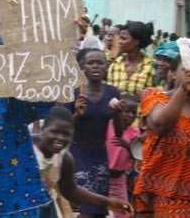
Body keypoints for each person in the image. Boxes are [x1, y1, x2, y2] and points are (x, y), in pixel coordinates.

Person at [134, 55, 190, 217]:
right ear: (172, 73)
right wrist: (183, 91)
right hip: (166, 194)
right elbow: (161, 125)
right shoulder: (155, 97)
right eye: (187, 70)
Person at [34, 106, 134, 218]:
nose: (60, 138)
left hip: (45, 210)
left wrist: (108, 202)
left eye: (66, 134)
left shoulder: (65, 158)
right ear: (43, 130)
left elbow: (70, 190)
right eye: (54, 132)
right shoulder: (28, 152)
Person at [64, 48, 121, 218]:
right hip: (75, 155)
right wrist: (76, 114)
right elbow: (61, 128)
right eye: (91, 63)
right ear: (82, 67)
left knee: (97, 210)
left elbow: (118, 132)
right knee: (79, 208)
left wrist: (118, 112)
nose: (96, 66)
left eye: (100, 62)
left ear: (106, 67)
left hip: (99, 156)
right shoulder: (72, 92)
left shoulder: (113, 92)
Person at [105, 95, 140, 218]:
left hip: (118, 180)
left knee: (123, 212)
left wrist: (128, 146)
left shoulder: (135, 133)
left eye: (133, 113)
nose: (130, 115)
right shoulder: (108, 125)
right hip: (103, 176)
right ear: (119, 111)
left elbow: (137, 157)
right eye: (127, 112)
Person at [107, 21, 155, 96]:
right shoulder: (115, 64)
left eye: (124, 39)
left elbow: (156, 96)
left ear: (136, 41)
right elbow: (109, 94)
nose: (119, 42)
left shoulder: (151, 66)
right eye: (119, 38)